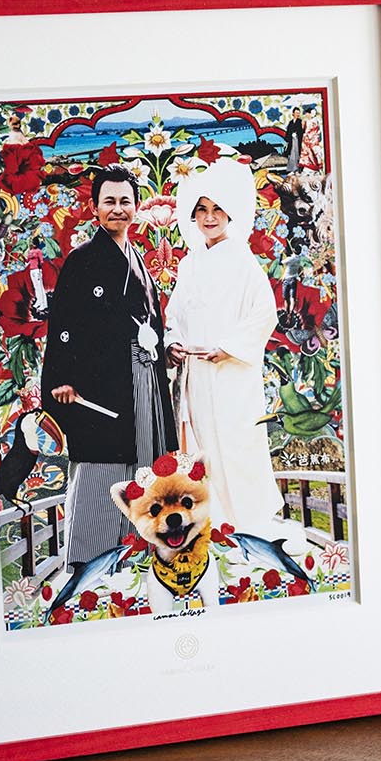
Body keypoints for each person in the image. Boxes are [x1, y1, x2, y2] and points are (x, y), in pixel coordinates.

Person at [40, 165, 177, 565]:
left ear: (136, 207)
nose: (118, 209)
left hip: (142, 379)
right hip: (99, 386)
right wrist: (62, 378)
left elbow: (151, 323)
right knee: (102, 468)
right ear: (94, 208)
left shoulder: (137, 260)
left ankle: (136, 560)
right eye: (109, 201)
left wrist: (163, 353)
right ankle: (88, 565)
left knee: (144, 466)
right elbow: (63, 326)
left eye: (125, 201)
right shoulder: (82, 260)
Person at [165, 159, 289, 534]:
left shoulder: (242, 260)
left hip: (232, 374)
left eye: (217, 208)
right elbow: (174, 315)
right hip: (197, 375)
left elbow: (264, 313)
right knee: (202, 448)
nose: (209, 217)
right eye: (202, 209)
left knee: (237, 446)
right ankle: (214, 526)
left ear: (229, 213)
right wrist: (173, 343)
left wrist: (229, 348)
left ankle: (249, 524)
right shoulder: (189, 265)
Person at [283, 107, 304, 175]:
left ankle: (297, 169)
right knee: (291, 154)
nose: (297, 114)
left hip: (297, 140)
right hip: (291, 140)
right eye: (296, 113)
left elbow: (301, 131)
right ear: (293, 113)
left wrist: (296, 134)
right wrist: (287, 140)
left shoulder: (300, 121)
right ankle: (291, 169)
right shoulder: (291, 122)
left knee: (297, 154)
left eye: (298, 113)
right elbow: (288, 132)